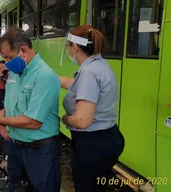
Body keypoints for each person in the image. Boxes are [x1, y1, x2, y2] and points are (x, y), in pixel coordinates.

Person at [0, 26, 61, 192]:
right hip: (16, 148)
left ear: (23, 50)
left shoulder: (45, 76)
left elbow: (33, 122)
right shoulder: (14, 73)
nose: (7, 63)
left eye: (9, 57)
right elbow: (10, 109)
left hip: (40, 151)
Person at [60, 25, 125, 192]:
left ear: (74, 47)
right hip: (109, 138)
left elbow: (82, 121)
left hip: (92, 146)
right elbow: (77, 86)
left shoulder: (89, 72)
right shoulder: (100, 65)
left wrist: (64, 119)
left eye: (68, 46)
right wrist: (50, 77)